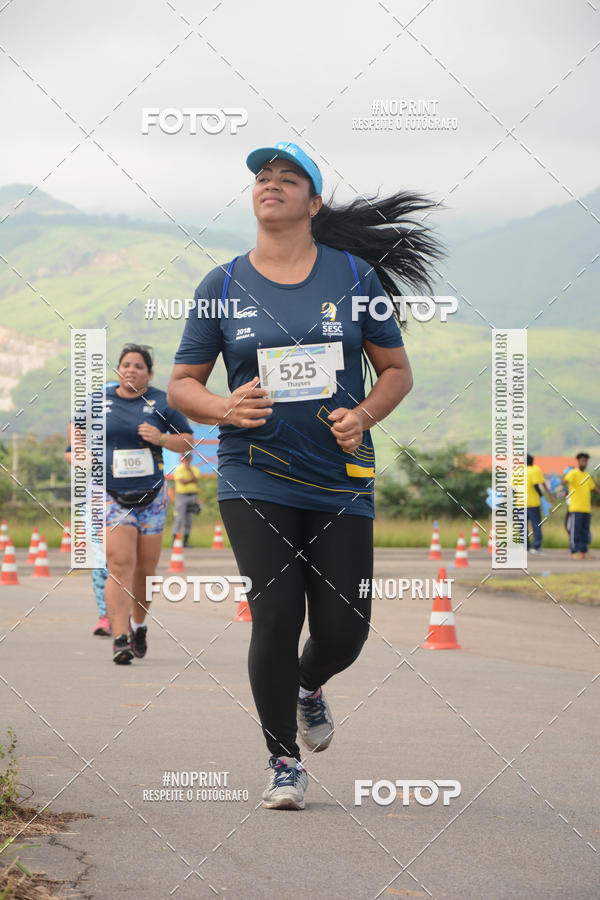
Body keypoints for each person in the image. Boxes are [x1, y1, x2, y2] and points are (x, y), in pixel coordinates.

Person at [168, 141, 441, 810]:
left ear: (314, 203)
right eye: (264, 177)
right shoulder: (223, 285)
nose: (272, 184)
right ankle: (282, 761)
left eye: (289, 178)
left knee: (346, 628)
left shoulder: (353, 277)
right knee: (276, 614)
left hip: (340, 475)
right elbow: (182, 385)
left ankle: (307, 686)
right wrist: (225, 406)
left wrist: (366, 413)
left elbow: (396, 371)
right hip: (252, 472)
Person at [101, 344, 194, 663]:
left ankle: (138, 625)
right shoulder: (100, 402)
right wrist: (78, 454)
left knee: (145, 570)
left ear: (149, 373)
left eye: (138, 366)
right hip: (112, 494)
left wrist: (161, 439)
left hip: (151, 497)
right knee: (120, 565)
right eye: (125, 364)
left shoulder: (161, 401)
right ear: (118, 370)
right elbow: (78, 433)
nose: (131, 370)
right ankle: (120, 637)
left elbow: (187, 440)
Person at [563, 452, 599, 559]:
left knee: (585, 531)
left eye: (586, 461)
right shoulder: (573, 473)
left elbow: (594, 488)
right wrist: (562, 484)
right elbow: (565, 480)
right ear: (578, 461)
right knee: (575, 531)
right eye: (583, 461)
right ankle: (574, 552)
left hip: (586, 509)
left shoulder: (587, 476)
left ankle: (584, 551)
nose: (585, 463)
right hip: (575, 508)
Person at [172, 452, 202, 546]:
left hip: (192, 495)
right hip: (182, 496)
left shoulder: (194, 469)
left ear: (191, 459)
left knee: (189, 519)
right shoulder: (178, 469)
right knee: (179, 518)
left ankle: (185, 541)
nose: (187, 460)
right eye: (185, 458)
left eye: (188, 457)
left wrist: (189, 470)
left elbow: (196, 480)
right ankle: (175, 541)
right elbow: (182, 482)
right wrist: (191, 480)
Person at [526, 454, 553, 553]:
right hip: (533, 503)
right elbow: (537, 484)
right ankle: (536, 546)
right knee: (536, 524)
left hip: (520, 503)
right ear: (532, 461)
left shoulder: (518, 471)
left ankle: (525, 547)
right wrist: (544, 496)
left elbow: (513, 487)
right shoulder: (535, 469)